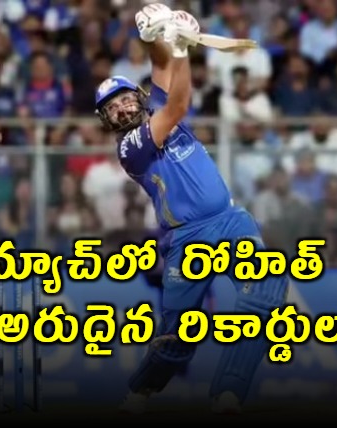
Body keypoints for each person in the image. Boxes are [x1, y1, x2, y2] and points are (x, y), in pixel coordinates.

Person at [93, 3, 288, 415]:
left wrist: (155, 38)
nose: (122, 108)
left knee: (266, 294)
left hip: (230, 222)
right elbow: (179, 105)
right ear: (107, 120)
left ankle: (229, 393)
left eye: (125, 99)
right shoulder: (130, 148)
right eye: (112, 108)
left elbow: (162, 69)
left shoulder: (157, 107)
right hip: (187, 239)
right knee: (178, 337)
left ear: (139, 97)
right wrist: (181, 48)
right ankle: (140, 393)